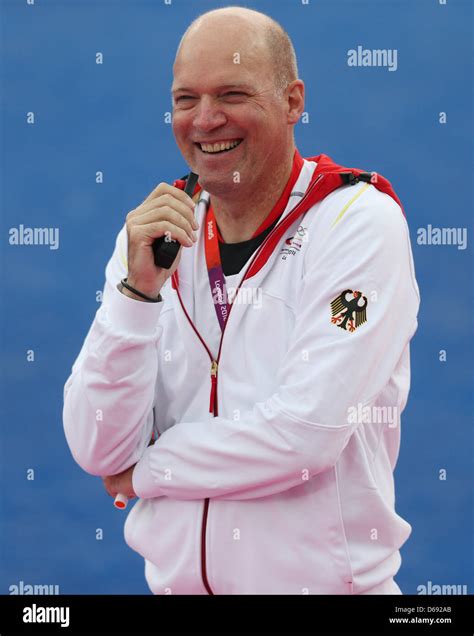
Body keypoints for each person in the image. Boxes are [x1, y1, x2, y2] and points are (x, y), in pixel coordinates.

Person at [63, 6, 420, 595]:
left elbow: (304, 435)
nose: (205, 120)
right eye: (185, 99)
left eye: (232, 93)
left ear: (292, 100)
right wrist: (137, 294)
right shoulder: (158, 234)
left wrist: (148, 470)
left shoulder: (358, 223)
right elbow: (96, 443)